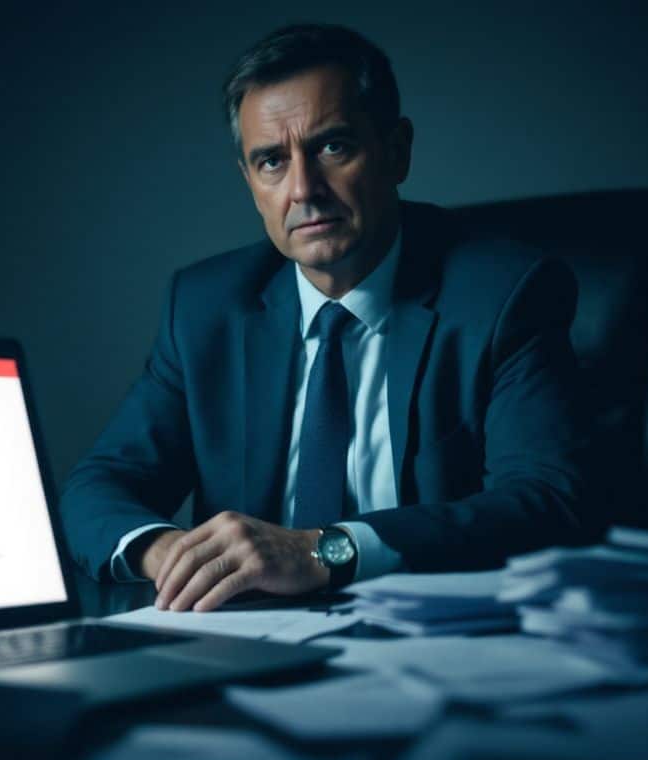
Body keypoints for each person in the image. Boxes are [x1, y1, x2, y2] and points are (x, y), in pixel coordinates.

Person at [59, 23, 597, 612]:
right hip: (249, 645)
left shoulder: (503, 293)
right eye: (271, 161)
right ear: (249, 181)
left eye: (332, 147)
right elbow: (97, 487)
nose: (303, 189)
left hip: (437, 644)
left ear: (396, 152)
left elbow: (547, 500)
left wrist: (323, 552)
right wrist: (171, 554)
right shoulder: (206, 307)